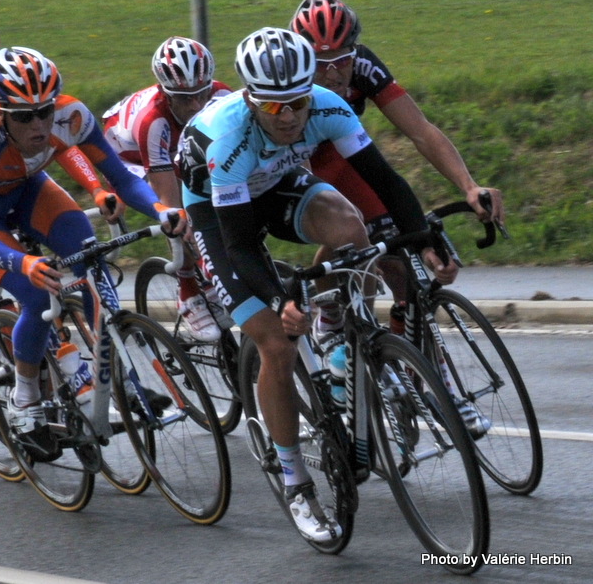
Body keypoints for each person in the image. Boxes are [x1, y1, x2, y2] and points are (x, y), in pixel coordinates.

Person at [178, 27, 447, 542]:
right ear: (251, 100)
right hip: (217, 214)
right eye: (276, 109)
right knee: (276, 345)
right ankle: (294, 478)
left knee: (352, 228)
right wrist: (280, 301)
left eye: (298, 103)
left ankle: (341, 332)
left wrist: (420, 240)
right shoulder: (226, 136)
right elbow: (239, 245)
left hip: (276, 183)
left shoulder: (328, 105)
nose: (292, 117)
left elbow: (384, 180)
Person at [0, 47, 185, 442]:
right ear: (0, 112)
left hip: (25, 183)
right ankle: (24, 398)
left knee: (89, 258)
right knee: (34, 295)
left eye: (44, 111)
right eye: (23, 116)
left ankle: (114, 380)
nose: (38, 124)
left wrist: (161, 210)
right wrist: (24, 263)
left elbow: (121, 179)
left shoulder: (72, 116)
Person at [290, 0, 491, 435]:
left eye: (341, 59)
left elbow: (420, 131)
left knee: (397, 254)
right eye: (320, 63)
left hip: (345, 148)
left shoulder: (362, 67)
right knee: (346, 231)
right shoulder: (288, 84)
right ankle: (330, 317)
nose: (333, 72)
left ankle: (426, 381)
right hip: (298, 160)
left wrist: (468, 185)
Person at [103, 37, 231, 341]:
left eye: (201, 94)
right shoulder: (154, 120)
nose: (196, 105)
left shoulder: (223, 94)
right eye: (184, 98)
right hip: (127, 153)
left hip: (178, 144)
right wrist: (184, 223)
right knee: (178, 218)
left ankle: (211, 275)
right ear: (165, 92)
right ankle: (188, 293)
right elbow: (169, 200)